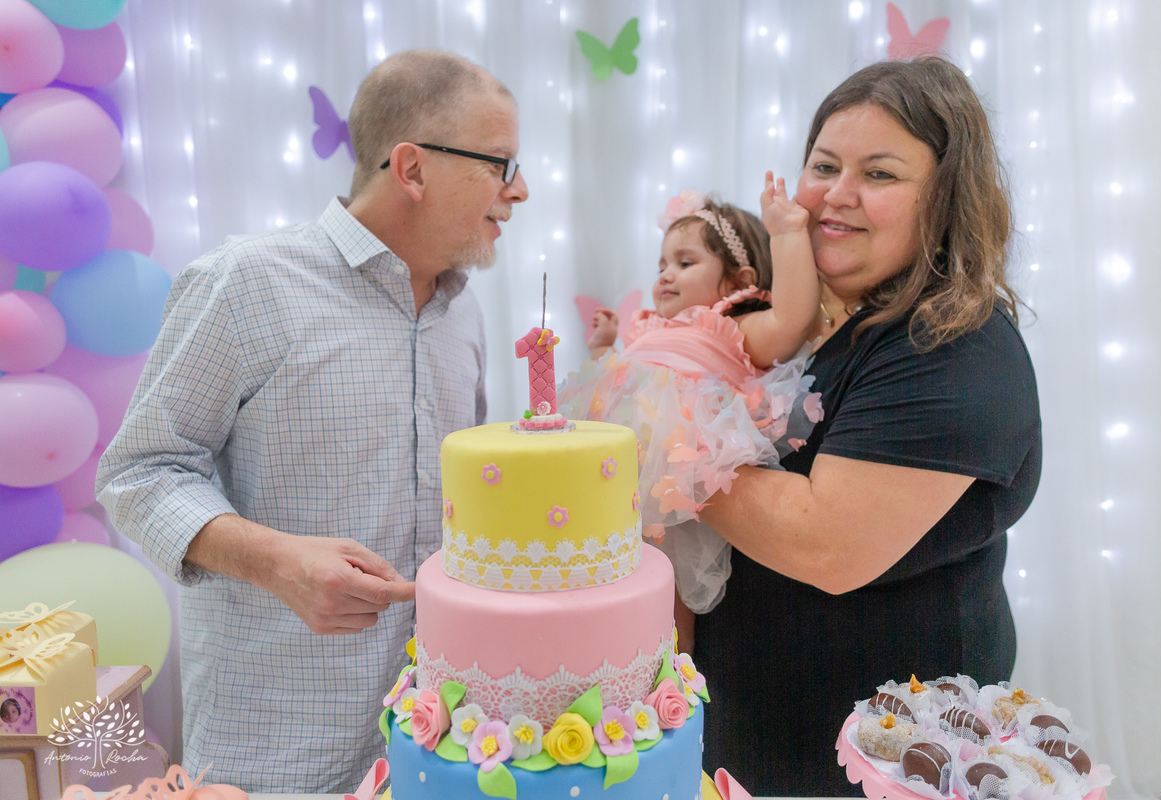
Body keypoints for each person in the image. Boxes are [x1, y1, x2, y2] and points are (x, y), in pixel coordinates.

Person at [96, 50, 528, 792]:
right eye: (500, 163)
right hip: (274, 750)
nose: (519, 191)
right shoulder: (245, 283)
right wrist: (276, 561)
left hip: (438, 747)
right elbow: (138, 473)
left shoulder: (467, 314)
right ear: (413, 168)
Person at [693, 57, 1041, 797]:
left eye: (879, 175)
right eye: (824, 166)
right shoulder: (810, 325)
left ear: (946, 198)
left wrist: (662, 447)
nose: (835, 198)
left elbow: (826, 543)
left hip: (881, 764)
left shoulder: (949, 342)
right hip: (760, 750)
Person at [557, 175, 821, 653]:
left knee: (668, 587)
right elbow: (622, 383)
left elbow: (793, 318)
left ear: (739, 281)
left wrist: (786, 234)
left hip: (673, 478)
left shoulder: (731, 325)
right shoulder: (648, 328)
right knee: (606, 577)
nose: (664, 274)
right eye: (661, 263)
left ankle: (672, 685)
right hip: (612, 474)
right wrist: (605, 348)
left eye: (685, 262)